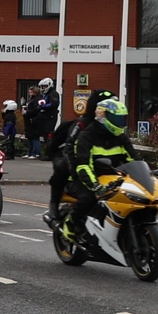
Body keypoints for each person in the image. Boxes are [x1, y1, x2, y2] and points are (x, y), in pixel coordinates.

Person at [48, 94, 136, 242]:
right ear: (103, 116)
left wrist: (146, 176)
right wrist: (95, 186)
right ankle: (71, 223)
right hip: (84, 178)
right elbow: (83, 165)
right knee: (88, 198)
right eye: (117, 119)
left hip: (111, 177)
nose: (120, 123)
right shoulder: (86, 135)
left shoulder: (121, 137)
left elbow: (133, 160)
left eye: (122, 119)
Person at [42, 89, 106, 217]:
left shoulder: (108, 126)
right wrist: (74, 171)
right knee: (62, 166)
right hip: (68, 154)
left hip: (92, 156)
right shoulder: (82, 123)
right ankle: (54, 203)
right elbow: (69, 145)